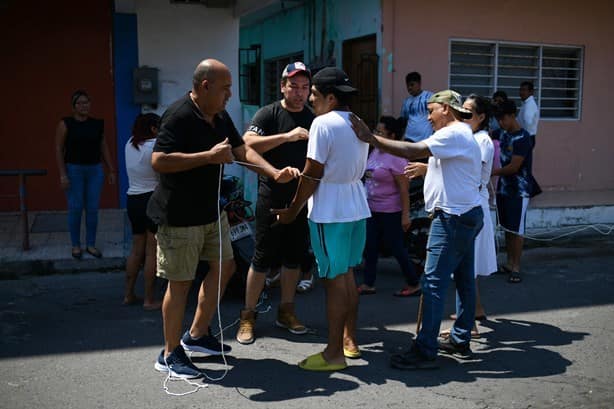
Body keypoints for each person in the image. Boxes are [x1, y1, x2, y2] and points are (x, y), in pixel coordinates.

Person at [149, 59, 299, 380]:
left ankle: (197, 335)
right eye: (225, 88)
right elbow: (158, 161)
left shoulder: (218, 115)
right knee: (180, 283)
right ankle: (169, 352)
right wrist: (208, 157)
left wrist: (273, 172)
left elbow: (241, 150)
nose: (230, 94)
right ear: (205, 86)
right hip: (178, 216)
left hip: (210, 212)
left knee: (226, 266)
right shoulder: (178, 116)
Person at [350, 89, 483, 369]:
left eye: (431, 110)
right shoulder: (460, 134)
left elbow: (414, 148)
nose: (428, 117)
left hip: (452, 219)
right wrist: (427, 169)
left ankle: (425, 349)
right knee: (464, 280)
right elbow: (448, 164)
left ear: (446, 109)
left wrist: (372, 139)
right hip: (464, 214)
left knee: (432, 283)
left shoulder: (453, 132)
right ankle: (459, 339)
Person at [274, 67, 370, 371]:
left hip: (331, 210)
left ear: (330, 97)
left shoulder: (322, 124)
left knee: (333, 281)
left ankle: (333, 353)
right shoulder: (357, 121)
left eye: (313, 94)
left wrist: (292, 209)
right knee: (348, 276)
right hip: (356, 206)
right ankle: (349, 341)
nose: (310, 99)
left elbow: (312, 172)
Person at [236, 62, 314, 345]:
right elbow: (246, 143)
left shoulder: (313, 118)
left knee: (293, 258)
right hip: (270, 197)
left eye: (305, 87)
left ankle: (286, 311)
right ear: (283, 86)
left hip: (300, 198)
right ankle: (248, 315)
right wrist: (287, 136)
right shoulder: (269, 113)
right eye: (294, 86)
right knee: (262, 259)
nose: (299, 93)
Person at [435, 94, 497, 338]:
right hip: (469, 202)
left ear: (481, 117)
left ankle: (467, 324)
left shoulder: (480, 141)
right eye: (462, 111)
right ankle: (475, 310)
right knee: (466, 268)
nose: (463, 117)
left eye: (469, 113)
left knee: (465, 269)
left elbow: (464, 168)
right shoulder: (469, 137)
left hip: (471, 204)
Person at [358, 116, 421, 297]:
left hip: (390, 211)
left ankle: (414, 283)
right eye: (375, 130)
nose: (375, 134)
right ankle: (369, 283)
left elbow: (403, 189)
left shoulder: (397, 157)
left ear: (391, 135)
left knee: (396, 248)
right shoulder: (375, 151)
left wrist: (405, 215)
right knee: (370, 246)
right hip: (371, 208)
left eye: (380, 132)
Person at [54, 90, 116, 260]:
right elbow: (59, 149)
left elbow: (103, 146)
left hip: (95, 170)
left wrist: (111, 169)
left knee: (92, 209)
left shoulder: (97, 124)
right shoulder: (65, 124)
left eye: (86, 102)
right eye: (80, 103)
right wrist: (62, 174)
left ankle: (90, 244)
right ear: (73, 106)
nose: (84, 106)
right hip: (73, 170)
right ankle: (75, 245)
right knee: (75, 208)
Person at [492, 99, 540, 284]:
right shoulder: (501, 132)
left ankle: (516, 267)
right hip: (503, 188)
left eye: (503, 118)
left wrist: (491, 172)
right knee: (506, 227)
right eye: (498, 119)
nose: (501, 123)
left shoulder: (523, 137)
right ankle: (509, 263)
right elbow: (486, 136)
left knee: (517, 230)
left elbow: (514, 167)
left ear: (512, 116)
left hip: (519, 190)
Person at [124, 113, 162, 310]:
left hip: (133, 199)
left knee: (136, 248)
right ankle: (149, 299)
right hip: (151, 200)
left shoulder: (130, 143)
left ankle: (128, 294)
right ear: (154, 129)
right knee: (151, 252)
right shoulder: (154, 147)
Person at [400, 72, 434, 143]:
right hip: (409, 138)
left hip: (425, 139)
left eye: (412, 85)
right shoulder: (407, 102)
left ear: (419, 84)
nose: (409, 88)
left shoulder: (430, 97)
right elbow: (404, 121)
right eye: (408, 85)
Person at [517, 81, 539, 147]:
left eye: (524, 90)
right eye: (520, 90)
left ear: (531, 92)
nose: (521, 93)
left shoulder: (529, 105)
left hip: (526, 137)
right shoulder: (526, 103)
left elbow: (527, 124)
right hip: (526, 137)